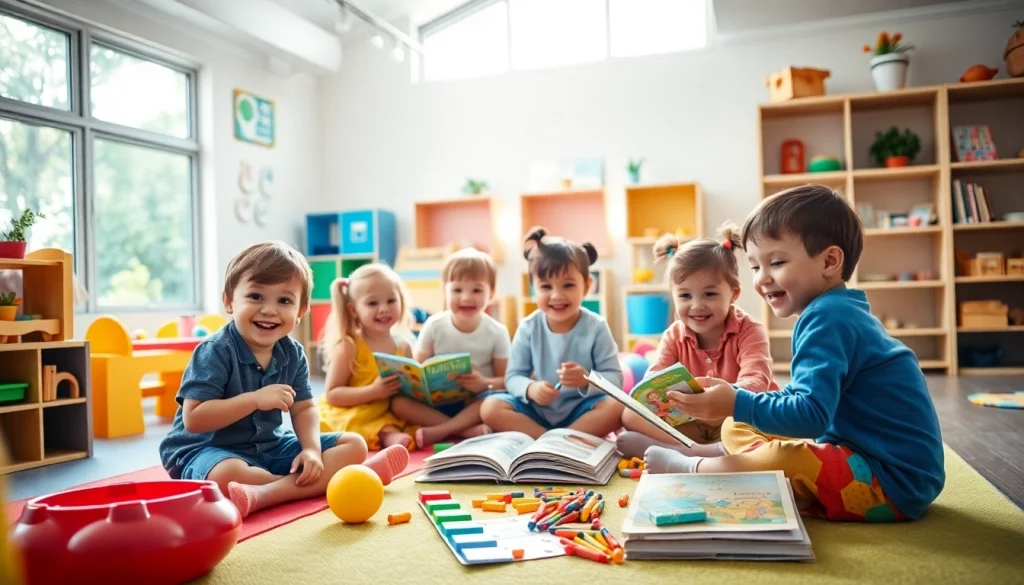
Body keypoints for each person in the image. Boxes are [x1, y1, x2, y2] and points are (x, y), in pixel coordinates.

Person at [646, 186, 945, 522]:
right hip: (862, 456)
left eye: (776, 263)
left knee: (787, 454)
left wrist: (735, 401)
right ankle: (727, 455)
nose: (762, 280)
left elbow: (810, 416)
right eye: (755, 267)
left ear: (830, 261)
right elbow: (807, 403)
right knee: (736, 425)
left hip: (891, 483)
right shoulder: (836, 310)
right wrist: (735, 404)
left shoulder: (827, 319)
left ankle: (697, 467)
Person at [159, 242, 408, 519]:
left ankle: (265, 493)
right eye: (255, 296)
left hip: (269, 447)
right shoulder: (215, 351)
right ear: (229, 301)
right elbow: (194, 419)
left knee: (355, 445)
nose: (269, 310)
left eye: (284, 301)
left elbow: (303, 408)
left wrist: (312, 451)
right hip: (208, 451)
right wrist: (254, 400)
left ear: (301, 311)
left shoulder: (292, 353)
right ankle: (354, 477)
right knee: (227, 476)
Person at [616, 223, 775, 459]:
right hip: (689, 420)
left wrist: (723, 395)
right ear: (673, 296)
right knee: (629, 414)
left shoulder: (750, 330)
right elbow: (655, 378)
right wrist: (656, 394)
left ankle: (694, 451)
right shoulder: (673, 335)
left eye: (709, 294)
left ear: (733, 293)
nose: (697, 305)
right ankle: (694, 449)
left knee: (774, 421)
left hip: (735, 417)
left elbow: (757, 381)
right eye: (685, 296)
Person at [481, 227, 623, 439]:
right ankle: (551, 440)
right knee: (490, 407)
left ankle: (561, 439)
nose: (557, 295)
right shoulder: (529, 327)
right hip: (536, 412)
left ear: (586, 286)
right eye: (546, 287)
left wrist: (587, 379)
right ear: (533, 288)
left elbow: (615, 379)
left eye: (568, 285)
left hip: (581, 411)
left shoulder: (597, 327)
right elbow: (513, 376)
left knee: (616, 407)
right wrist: (531, 389)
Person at [394, 247, 510, 447]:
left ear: (491, 293)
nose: (466, 297)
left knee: (493, 402)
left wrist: (483, 382)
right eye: (457, 290)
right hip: (438, 404)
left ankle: (442, 430)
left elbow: (506, 380)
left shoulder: (497, 331)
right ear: (445, 292)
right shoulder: (434, 325)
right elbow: (417, 369)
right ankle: (464, 430)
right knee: (398, 404)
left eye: (477, 290)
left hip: (475, 402)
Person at [316, 263, 417, 450]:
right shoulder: (350, 345)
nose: (384, 309)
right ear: (354, 310)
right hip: (355, 409)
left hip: (389, 408)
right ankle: (390, 439)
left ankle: (447, 427)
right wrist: (373, 391)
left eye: (391, 301)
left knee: (411, 414)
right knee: (359, 425)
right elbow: (333, 394)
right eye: (373, 303)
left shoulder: (404, 346)